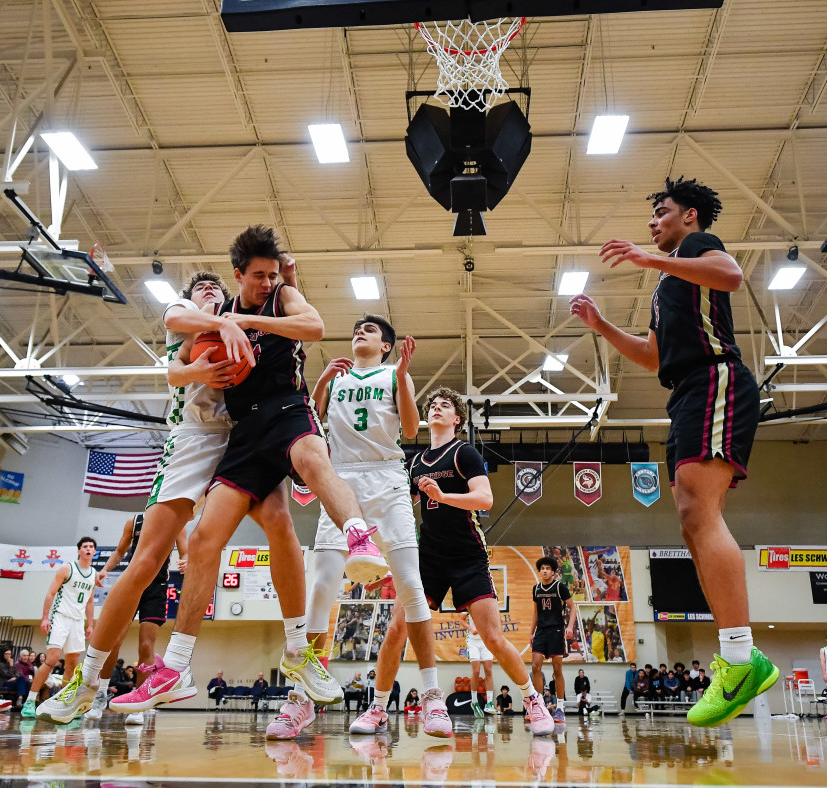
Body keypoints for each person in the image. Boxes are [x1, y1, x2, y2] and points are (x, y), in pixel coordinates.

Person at [117, 226, 384, 715]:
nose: (267, 281)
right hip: (244, 433)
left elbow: (316, 328)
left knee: (310, 462)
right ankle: (176, 669)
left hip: (287, 409)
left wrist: (245, 317)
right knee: (202, 541)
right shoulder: (211, 316)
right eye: (258, 275)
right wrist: (223, 327)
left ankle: (358, 539)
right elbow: (173, 329)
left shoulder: (281, 295)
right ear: (237, 275)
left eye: (272, 274)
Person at [37, 265, 308, 724]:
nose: (209, 292)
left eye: (215, 290)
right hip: (192, 440)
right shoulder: (191, 314)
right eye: (202, 288)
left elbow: (289, 322)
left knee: (280, 525)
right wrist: (199, 357)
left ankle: (299, 652)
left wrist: (281, 286)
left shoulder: (242, 317)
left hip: (244, 437)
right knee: (145, 562)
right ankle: (86, 684)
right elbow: (173, 348)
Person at [569, 176, 776, 727]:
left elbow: (731, 275)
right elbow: (653, 355)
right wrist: (601, 324)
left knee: (698, 512)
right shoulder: (671, 280)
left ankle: (739, 657)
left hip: (716, 379)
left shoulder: (695, 249)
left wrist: (649, 259)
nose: (652, 223)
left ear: (689, 216)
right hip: (685, 388)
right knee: (690, 517)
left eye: (660, 212)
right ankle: (738, 654)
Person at [275, 315, 448, 741]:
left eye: (369, 330)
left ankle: (431, 696)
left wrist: (405, 377)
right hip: (341, 479)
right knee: (321, 588)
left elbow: (409, 430)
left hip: (386, 478)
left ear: (386, 345)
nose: (359, 332)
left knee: (410, 585)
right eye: (356, 328)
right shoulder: (335, 378)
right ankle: (301, 697)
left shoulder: (394, 373)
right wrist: (318, 386)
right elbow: (311, 425)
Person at [383, 388, 553, 735]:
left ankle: (533, 700)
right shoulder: (415, 462)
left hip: (467, 556)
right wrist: (382, 556)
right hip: (428, 557)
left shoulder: (465, 453)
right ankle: (377, 708)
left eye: (445, 406)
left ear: (457, 418)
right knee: (397, 628)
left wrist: (444, 496)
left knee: (492, 637)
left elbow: (485, 499)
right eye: (432, 405)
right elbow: (400, 511)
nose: (436, 409)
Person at [78, 512, 188, 723]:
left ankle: (138, 702)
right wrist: (104, 570)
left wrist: (186, 561)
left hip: (156, 587)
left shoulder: (176, 520)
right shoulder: (134, 521)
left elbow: (186, 551)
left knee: (146, 646)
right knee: (114, 641)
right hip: (131, 582)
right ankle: (100, 694)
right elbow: (120, 551)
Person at [23, 537, 97, 718]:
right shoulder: (67, 568)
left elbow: (89, 602)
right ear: (79, 550)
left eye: (91, 547)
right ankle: (30, 700)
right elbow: (51, 593)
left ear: (94, 552)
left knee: (72, 664)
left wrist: (90, 625)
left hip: (78, 622)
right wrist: (45, 617)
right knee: (52, 659)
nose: (88, 549)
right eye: (85, 546)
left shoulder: (94, 574)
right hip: (60, 618)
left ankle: (63, 703)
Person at [530, 555, 576, 723]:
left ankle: (560, 708)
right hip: (541, 631)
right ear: (540, 571)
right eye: (542, 568)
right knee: (535, 666)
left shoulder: (560, 587)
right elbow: (535, 613)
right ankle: (539, 706)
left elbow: (573, 607)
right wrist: (531, 632)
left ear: (553, 571)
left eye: (548, 568)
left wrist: (569, 627)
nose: (545, 571)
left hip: (556, 630)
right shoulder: (536, 589)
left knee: (557, 671)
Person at [457, 610, 495, 719]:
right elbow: (461, 619)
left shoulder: (492, 596)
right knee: (476, 671)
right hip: (473, 641)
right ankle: (474, 701)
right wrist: (471, 628)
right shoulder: (471, 598)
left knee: (488, 670)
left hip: (486, 640)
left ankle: (490, 702)